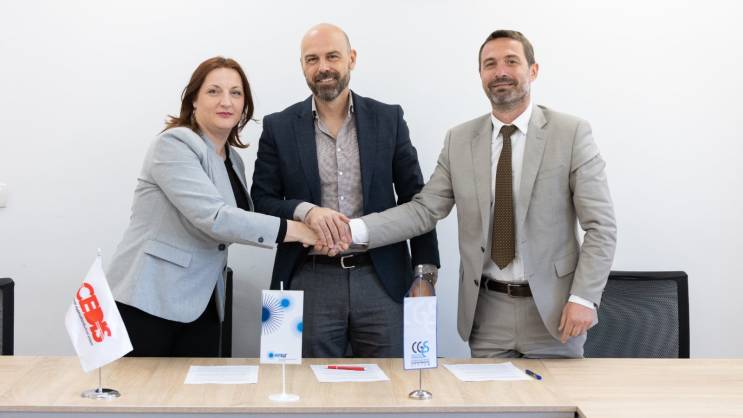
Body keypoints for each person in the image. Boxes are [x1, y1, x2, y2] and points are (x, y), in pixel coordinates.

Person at [347, 30, 617, 358]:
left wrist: (584, 297)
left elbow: (601, 226)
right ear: (480, 75)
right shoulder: (459, 140)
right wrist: (351, 231)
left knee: (556, 395)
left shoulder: (571, 133)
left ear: (533, 70)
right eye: (490, 64)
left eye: (511, 61)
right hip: (488, 314)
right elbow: (424, 211)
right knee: (488, 394)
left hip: (555, 313)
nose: (500, 71)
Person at [106, 57, 318, 357]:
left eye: (236, 93)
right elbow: (216, 218)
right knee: (142, 387)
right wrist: (301, 231)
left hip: (203, 301)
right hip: (150, 297)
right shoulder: (174, 144)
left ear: (245, 105)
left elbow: (243, 218)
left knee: (197, 387)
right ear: (194, 99)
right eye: (214, 91)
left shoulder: (233, 160)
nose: (226, 101)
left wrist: (305, 211)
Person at [251, 23, 440, 358]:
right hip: (307, 276)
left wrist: (424, 273)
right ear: (302, 66)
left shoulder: (388, 118)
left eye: (332, 56)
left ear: (351, 59)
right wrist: (306, 211)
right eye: (312, 59)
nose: (323, 67)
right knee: (304, 384)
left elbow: (415, 199)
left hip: (382, 278)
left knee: (390, 383)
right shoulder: (278, 126)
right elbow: (262, 201)